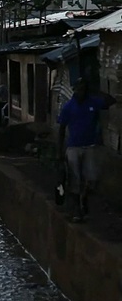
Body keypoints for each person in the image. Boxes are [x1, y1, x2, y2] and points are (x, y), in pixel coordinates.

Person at [57, 78, 116, 222]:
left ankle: (84, 204)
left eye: (83, 89)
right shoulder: (68, 107)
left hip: (90, 146)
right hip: (73, 147)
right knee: (74, 179)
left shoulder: (93, 102)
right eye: (78, 89)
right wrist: (59, 151)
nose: (81, 92)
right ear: (74, 89)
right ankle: (76, 210)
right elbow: (61, 129)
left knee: (90, 179)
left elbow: (111, 100)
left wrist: (96, 91)